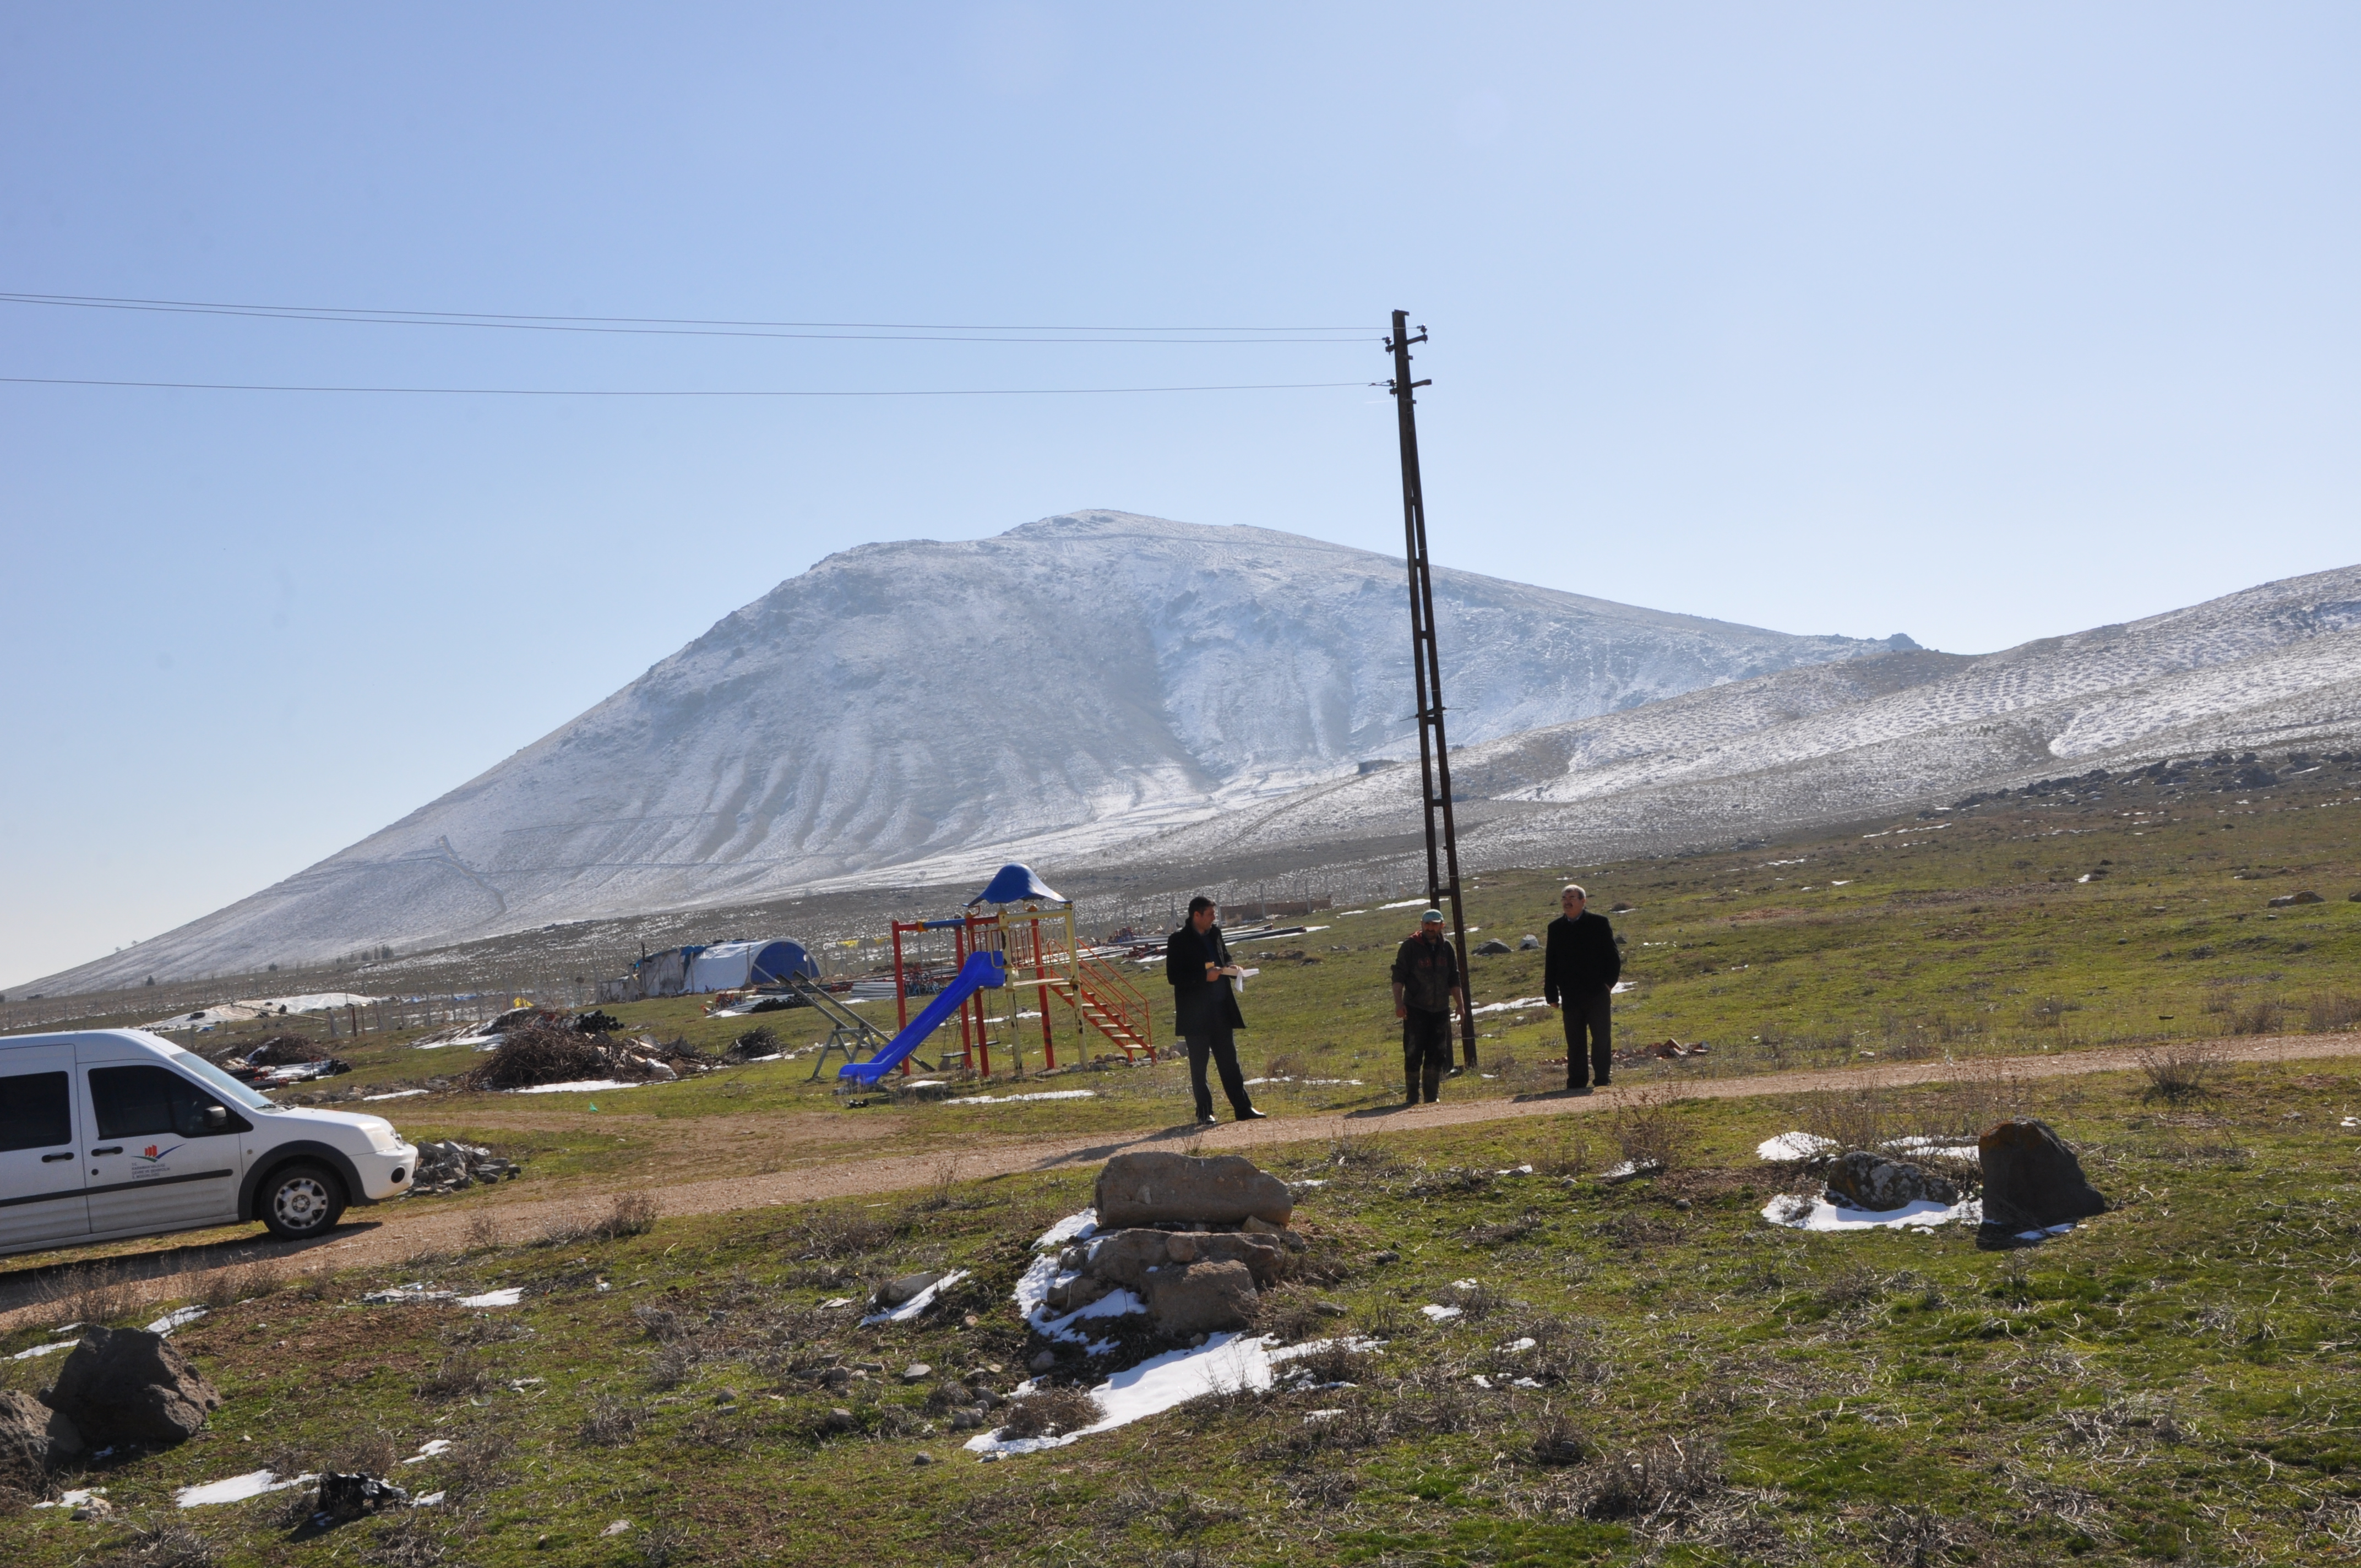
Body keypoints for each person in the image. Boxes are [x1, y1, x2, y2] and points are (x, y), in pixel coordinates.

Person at [1164, 897, 1265, 1125]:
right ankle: (1205, 1113)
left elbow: (1224, 957)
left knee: (1231, 1062)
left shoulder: (1215, 934)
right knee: (1199, 1067)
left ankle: (1243, 1108)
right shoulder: (1178, 941)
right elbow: (1174, 977)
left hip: (1220, 1009)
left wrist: (1232, 967)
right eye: (1209, 914)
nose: (1213, 919)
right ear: (1196, 916)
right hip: (1195, 1015)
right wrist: (1203, 977)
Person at [1545, 883, 1621, 1092]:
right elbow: (1550, 962)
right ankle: (1577, 1081)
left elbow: (1613, 958)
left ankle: (1602, 1078)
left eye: (1572, 897)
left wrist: (1608, 984)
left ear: (1583, 901)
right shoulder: (1556, 928)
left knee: (1601, 1038)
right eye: (1564, 898)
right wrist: (1551, 993)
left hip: (1597, 992)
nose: (1567, 901)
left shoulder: (1599, 923)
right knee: (1575, 1040)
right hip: (1570, 994)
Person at [1391, 908, 1464, 1104]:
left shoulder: (1446, 948)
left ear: (1442, 925)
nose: (1430, 928)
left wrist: (1460, 1005)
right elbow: (1398, 977)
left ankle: (1432, 1098)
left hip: (1440, 1010)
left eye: (1434, 924)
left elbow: (1454, 977)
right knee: (1413, 1053)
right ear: (1422, 924)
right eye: (1427, 924)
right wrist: (1399, 1004)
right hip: (1416, 1009)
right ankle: (1412, 1098)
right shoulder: (1410, 947)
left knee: (1437, 1055)